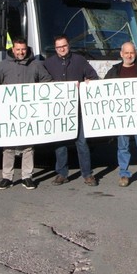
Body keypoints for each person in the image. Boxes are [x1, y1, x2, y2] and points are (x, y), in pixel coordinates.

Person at [0, 38, 52, 191]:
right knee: (8, 146)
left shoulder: (36, 65)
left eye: (23, 49)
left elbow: (47, 80)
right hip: (10, 113)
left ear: (26, 49)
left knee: (28, 146)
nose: (20, 52)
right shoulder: (4, 65)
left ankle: (27, 176)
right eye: (18, 49)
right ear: (13, 50)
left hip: (29, 112)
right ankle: (7, 177)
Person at [43, 34, 98, 185]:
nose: (62, 49)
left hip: (78, 109)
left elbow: (94, 77)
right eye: (59, 47)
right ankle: (62, 173)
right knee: (60, 144)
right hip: (59, 111)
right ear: (55, 48)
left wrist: (88, 81)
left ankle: (87, 174)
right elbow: (41, 82)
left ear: (69, 46)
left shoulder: (79, 60)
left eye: (64, 46)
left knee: (82, 142)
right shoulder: (48, 63)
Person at [105, 42, 137, 187]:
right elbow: (103, 91)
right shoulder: (114, 71)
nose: (129, 55)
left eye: (131, 53)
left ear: (136, 54)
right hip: (122, 118)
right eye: (126, 53)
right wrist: (89, 84)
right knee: (123, 146)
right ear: (121, 54)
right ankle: (124, 174)